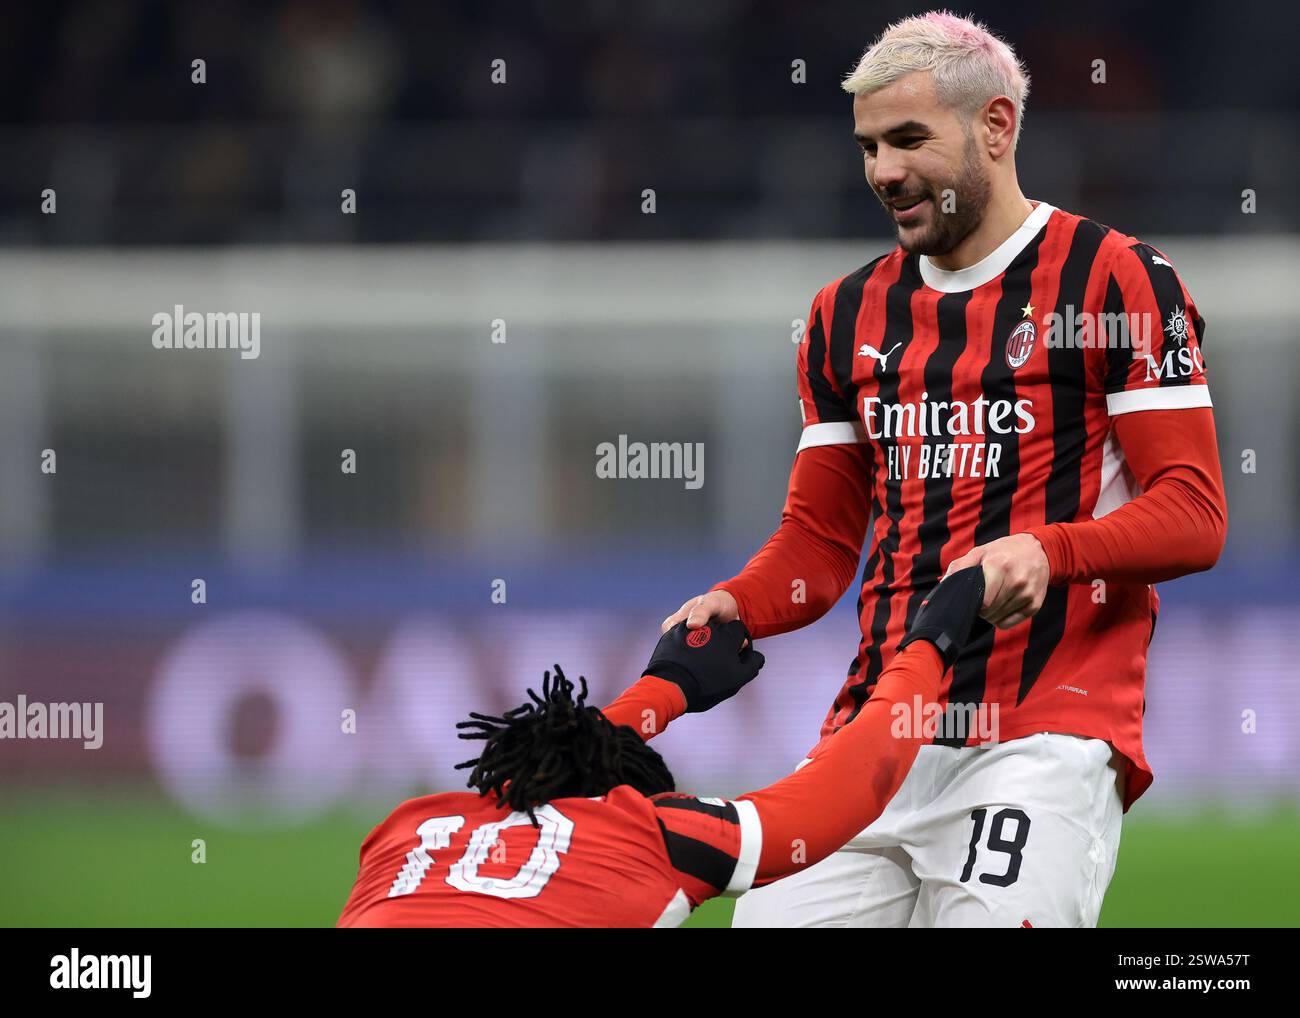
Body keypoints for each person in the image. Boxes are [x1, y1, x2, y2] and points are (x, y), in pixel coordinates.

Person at [637, 12, 1227, 927]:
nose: (884, 171)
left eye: (909, 140)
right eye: (869, 147)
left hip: (1040, 735)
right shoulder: (844, 315)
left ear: (996, 126)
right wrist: (738, 603)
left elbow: (1194, 513)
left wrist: (1049, 551)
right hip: (874, 735)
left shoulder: (1115, 280)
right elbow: (819, 544)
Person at [337, 569, 988, 927]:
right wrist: (928, 646)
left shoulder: (406, 831)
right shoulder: (647, 836)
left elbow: (553, 757)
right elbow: (835, 797)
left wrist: (667, 688)